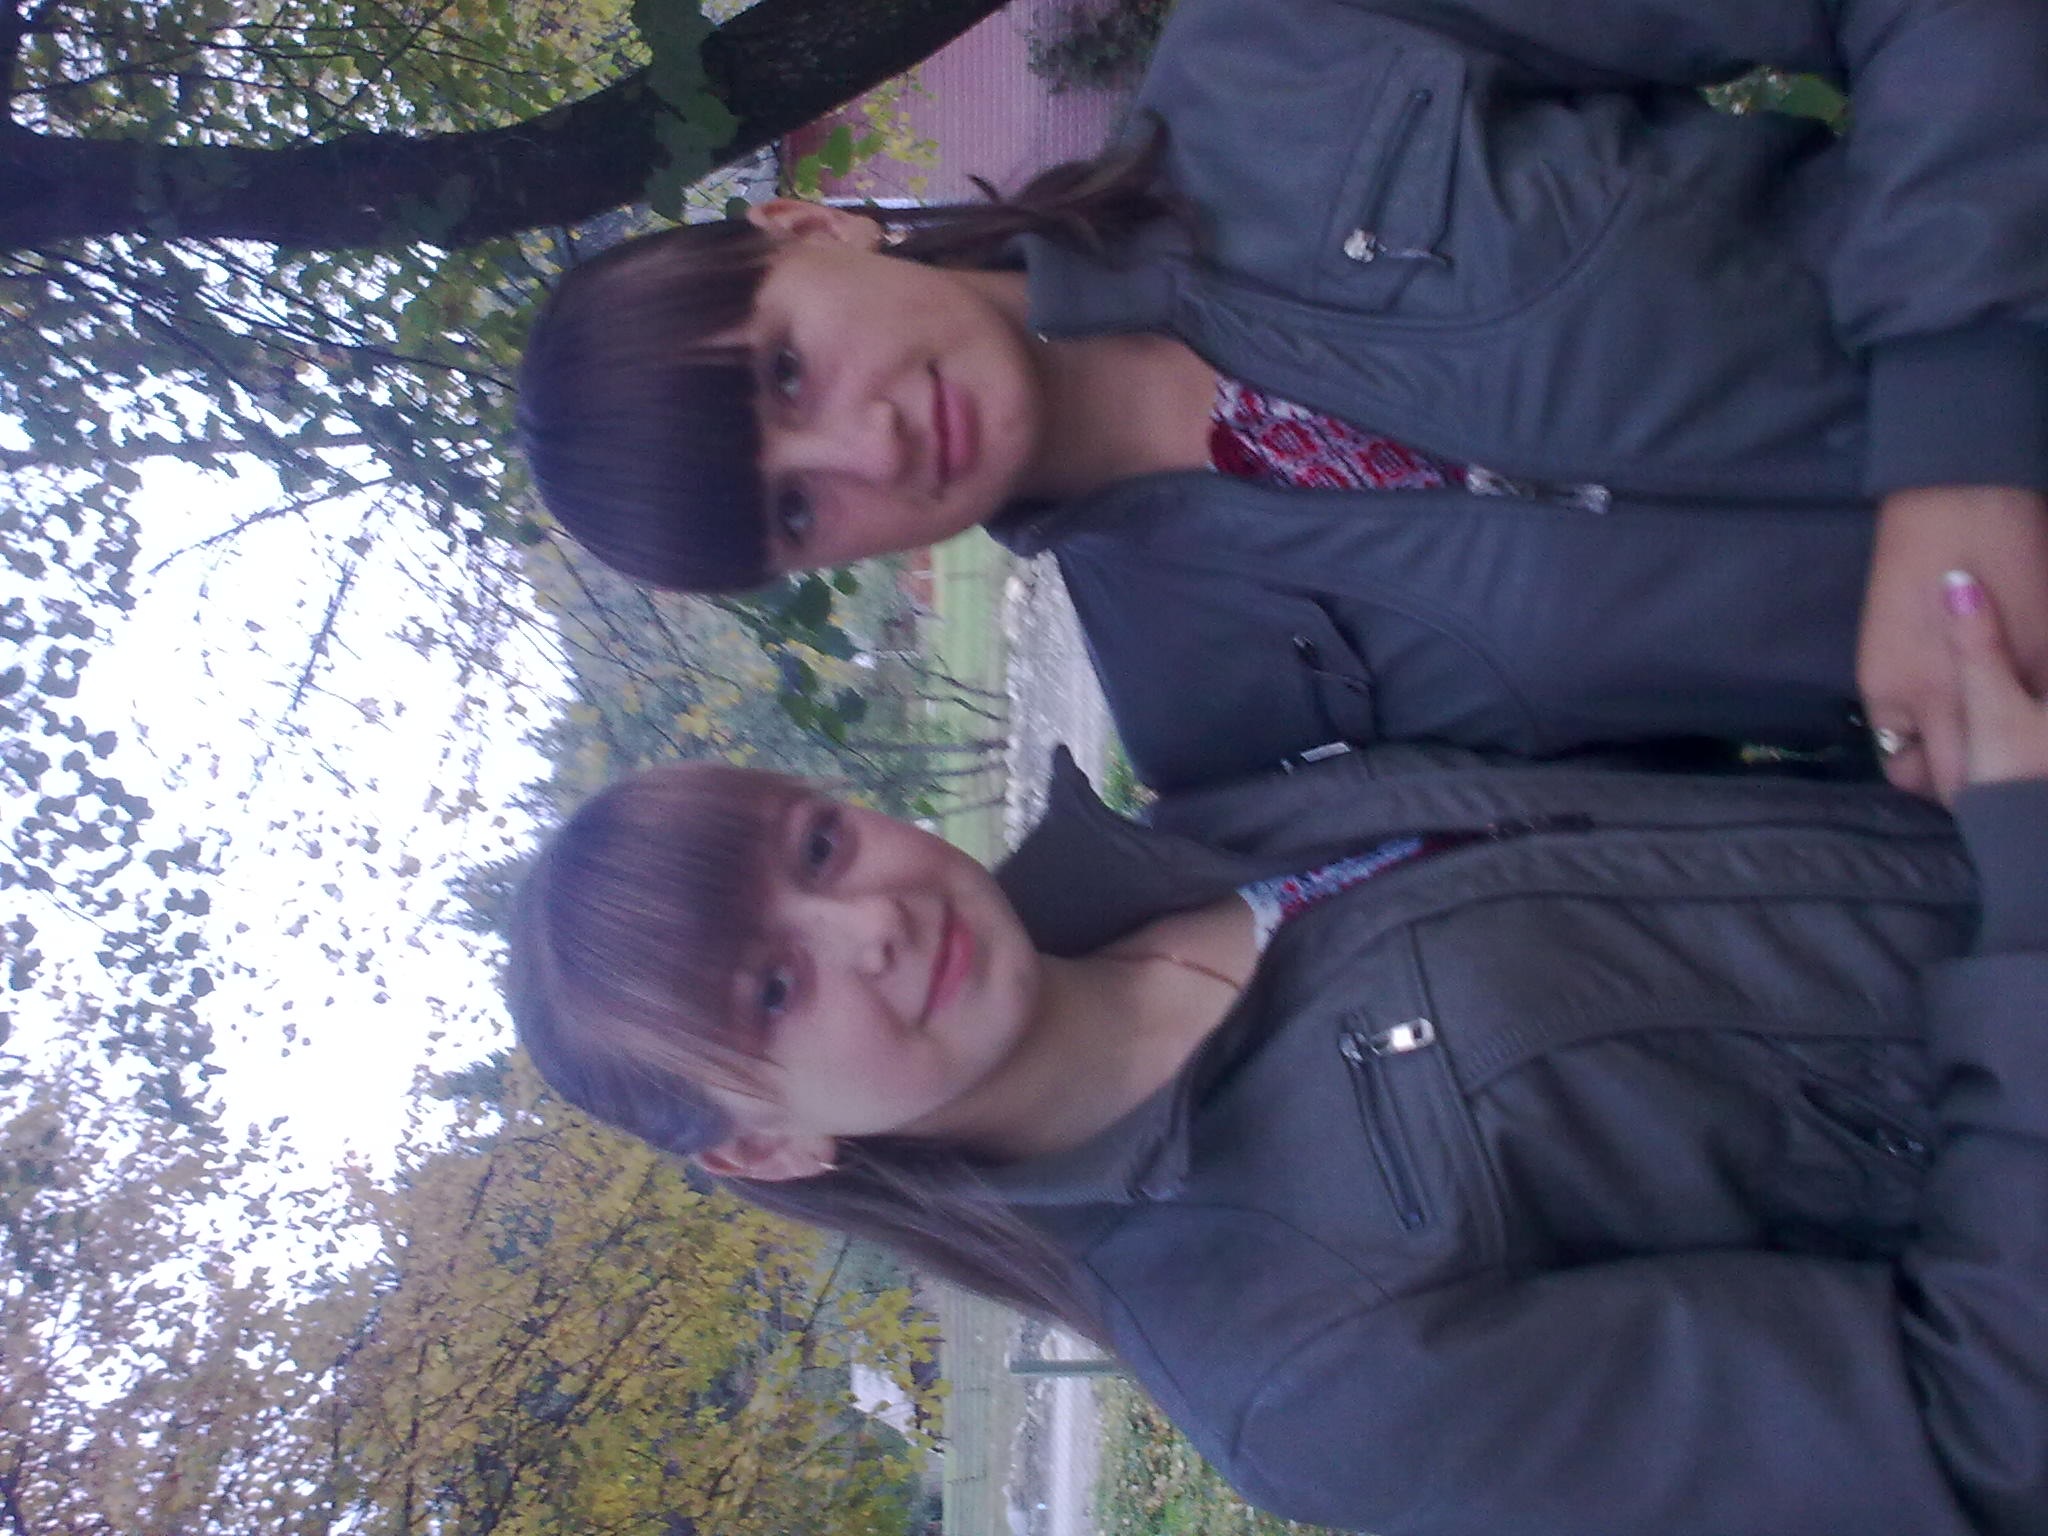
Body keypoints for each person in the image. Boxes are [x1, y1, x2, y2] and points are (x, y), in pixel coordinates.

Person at [506, 572, 2048, 1536]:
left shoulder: (1216, 815)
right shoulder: (1297, 1374)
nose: (874, 925)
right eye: (776, 990)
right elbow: (1978, 1428)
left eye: (819, 846)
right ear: (768, 1146)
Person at [516, 0, 2048, 802]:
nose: (869, 445)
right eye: (797, 511)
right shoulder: (1222, 728)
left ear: (807, 227)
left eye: (786, 369)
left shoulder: (1288, 48)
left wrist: (1964, 446)